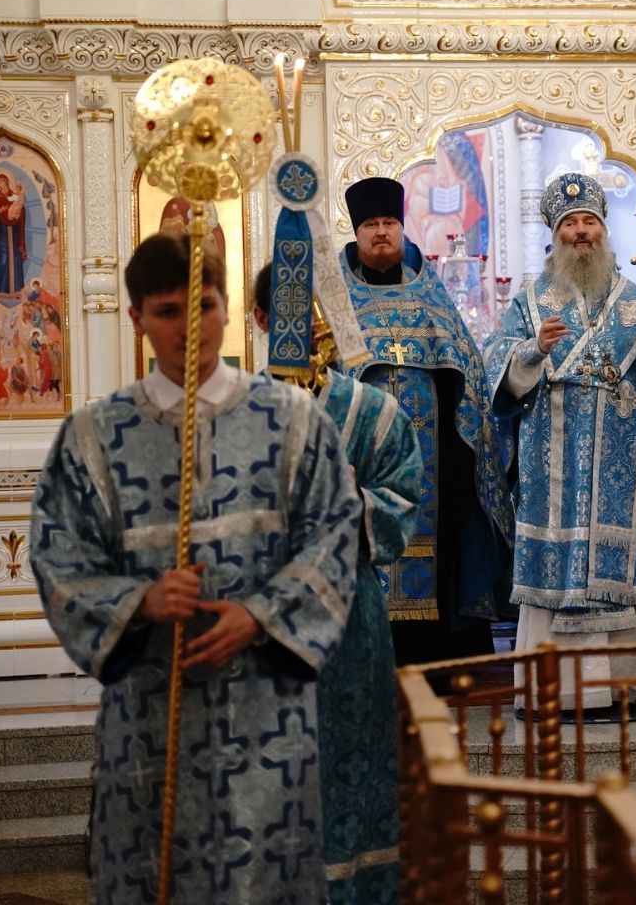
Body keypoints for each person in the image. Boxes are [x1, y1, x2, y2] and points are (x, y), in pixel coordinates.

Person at [29, 234, 362, 903]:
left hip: (267, 710)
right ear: (137, 319)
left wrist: (260, 614)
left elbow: (335, 530)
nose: (189, 328)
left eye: (203, 306)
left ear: (227, 306)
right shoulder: (93, 435)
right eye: (167, 311)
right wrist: (139, 601)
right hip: (150, 712)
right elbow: (59, 554)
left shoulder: (293, 420)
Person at [484, 173, 636, 718]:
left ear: (604, 231)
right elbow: (497, 375)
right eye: (570, 223)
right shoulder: (530, 304)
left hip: (628, 461)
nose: (580, 231)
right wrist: (531, 352)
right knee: (557, 568)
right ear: (555, 235)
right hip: (555, 463)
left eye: (589, 222)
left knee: (630, 566)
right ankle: (559, 691)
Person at [252, 264, 420, 904]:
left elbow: (403, 507)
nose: (311, 323)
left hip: (350, 622)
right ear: (262, 320)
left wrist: (350, 498)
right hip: (258, 623)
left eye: (320, 307)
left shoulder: (375, 413)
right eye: (293, 309)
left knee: (354, 757)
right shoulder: (230, 415)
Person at [339, 175, 514, 665]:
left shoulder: (430, 295)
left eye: (389, 223)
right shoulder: (335, 299)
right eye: (371, 225)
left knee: (438, 546)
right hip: (359, 458)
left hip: (432, 462)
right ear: (357, 233)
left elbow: (466, 369)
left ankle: (436, 662)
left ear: (401, 228)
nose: (381, 232)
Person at [0, 172, 26, 294]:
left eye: (2, 181)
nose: (0, 184)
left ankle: (17, 289)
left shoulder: (14, 195)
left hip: (14, 230)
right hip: (1, 231)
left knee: (15, 256)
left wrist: (18, 210)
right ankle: (1, 289)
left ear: (6, 181)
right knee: (3, 257)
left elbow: (20, 208)